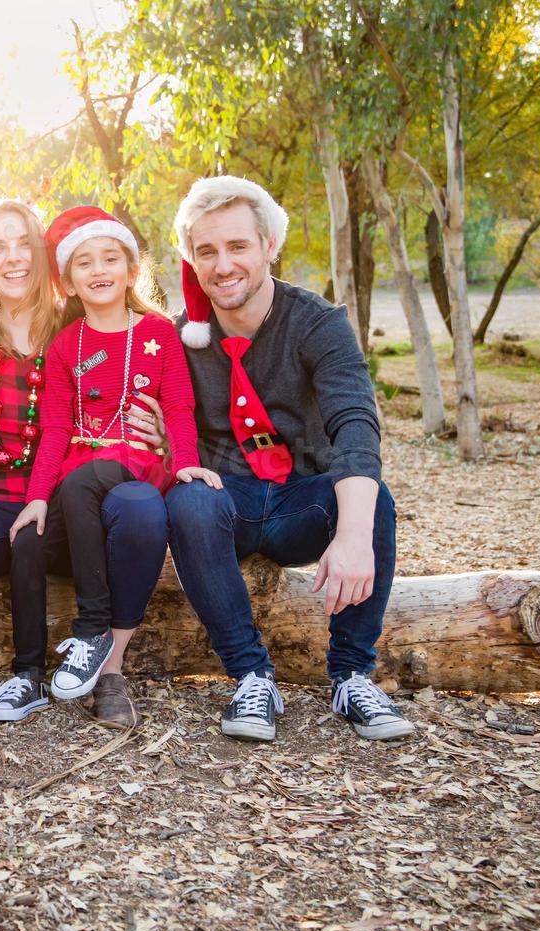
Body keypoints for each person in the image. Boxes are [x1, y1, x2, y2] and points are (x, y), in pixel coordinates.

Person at [0, 201, 172, 795]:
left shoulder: (78, 324)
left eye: (23, 242)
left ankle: (110, 670)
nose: (12, 257)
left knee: (137, 507)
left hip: (78, 503)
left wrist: (164, 436)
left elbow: (151, 389)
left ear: (45, 256)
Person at [164, 175, 414, 743]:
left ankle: (351, 674)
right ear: (192, 261)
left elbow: (355, 424)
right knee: (189, 502)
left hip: (302, 499)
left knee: (370, 502)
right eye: (206, 251)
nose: (223, 265)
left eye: (237, 246)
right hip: (228, 501)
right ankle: (252, 676)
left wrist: (350, 536)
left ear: (268, 246)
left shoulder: (318, 323)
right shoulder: (180, 340)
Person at [9, 206, 207, 715]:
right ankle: (25, 675)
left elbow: (180, 405)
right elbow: (55, 428)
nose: (99, 271)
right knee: (31, 537)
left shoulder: (159, 334)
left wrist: (184, 460)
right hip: (82, 466)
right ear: (68, 283)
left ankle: (93, 630)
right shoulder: (64, 347)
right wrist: (34, 499)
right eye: (84, 263)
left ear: (131, 270)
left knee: (83, 486)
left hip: (138, 461)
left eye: (110, 258)